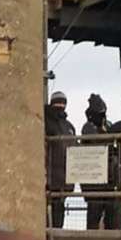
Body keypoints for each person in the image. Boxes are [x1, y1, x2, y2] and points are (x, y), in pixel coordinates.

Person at [81, 93, 120, 230]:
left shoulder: (107, 125)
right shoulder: (88, 127)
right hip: (94, 177)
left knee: (111, 216)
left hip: (108, 176)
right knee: (94, 213)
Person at [44, 90, 76, 228]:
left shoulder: (68, 126)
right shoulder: (66, 126)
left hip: (63, 176)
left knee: (58, 209)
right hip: (51, 176)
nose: (61, 105)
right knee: (50, 210)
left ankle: (55, 236)